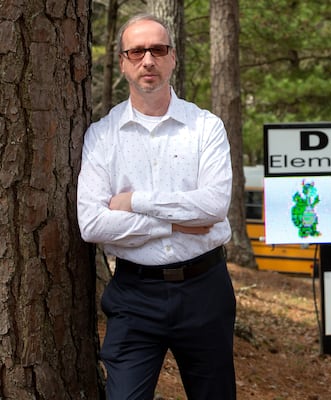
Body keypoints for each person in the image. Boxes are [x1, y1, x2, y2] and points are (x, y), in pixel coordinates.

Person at [77, 13, 236, 399]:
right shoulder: (101, 136)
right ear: (122, 61)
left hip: (205, 290)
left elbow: (213, 205)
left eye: (158, 49)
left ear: (172, 57)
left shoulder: (206, 127)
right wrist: (176, 223)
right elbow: (93, 224)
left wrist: (134, 202)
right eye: (137, 51)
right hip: (135, 295)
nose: (148, 60)